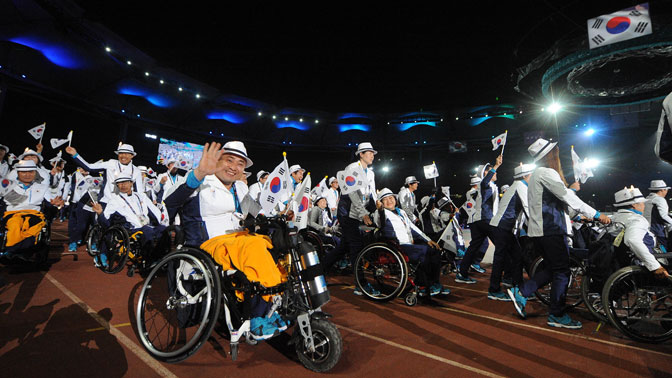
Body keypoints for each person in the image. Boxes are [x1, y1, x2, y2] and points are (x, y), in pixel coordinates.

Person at [163, 141, 287, 340]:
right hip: (209, 243)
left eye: (240, 163)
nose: (234, 167)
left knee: (274, 245)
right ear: (217, 160)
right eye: (229, 160)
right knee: (254, 245)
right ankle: (255, 316)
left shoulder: (240, 186)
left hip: (238, 241)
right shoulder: (200, 179)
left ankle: (268, 306)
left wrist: (280, 217)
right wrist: (198, 174)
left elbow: (256, 211)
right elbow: (170, 203)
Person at [507, 138, 610, 330]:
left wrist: (579, 217)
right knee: (562, 272)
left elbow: (558, 203)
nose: (558, 154)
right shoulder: (546, 172)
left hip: (544, 230)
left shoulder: (539, 174)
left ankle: (522, 292)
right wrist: (595, 214)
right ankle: (556, 314)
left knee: (554, 270)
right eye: (555, 151)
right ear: (550, 155)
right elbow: (566, 196)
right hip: (551, 230)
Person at [374, 188, 449, 296]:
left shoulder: (402, 212)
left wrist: (428, 240)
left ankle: (434, 283)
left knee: (435, 249)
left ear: (395, 199)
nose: (389, 201)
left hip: (408, 244)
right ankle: (423, 285)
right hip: (397, 246)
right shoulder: (380, 212)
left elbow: (413, 228)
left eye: (391, 198)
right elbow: (379, 223)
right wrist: (380, 210)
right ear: (381, 203)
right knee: (426, 252)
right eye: (385, 199)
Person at [92, 174, 169, 267]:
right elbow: (106, 223)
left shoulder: (141, 196)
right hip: (130, 229)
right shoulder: (114, 200)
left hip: (145, 225)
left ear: (131, 183)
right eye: (119, 183)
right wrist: (100, 213)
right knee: (147, 231)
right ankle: (148, 261)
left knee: (164, 230)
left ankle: (162, 257)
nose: (123, 185)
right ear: (117, 185)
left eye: (125, 182)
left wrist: (158, 222)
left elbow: (154, 212)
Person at [487, 163, 534, 300]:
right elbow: (528, 209)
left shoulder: (517, 185)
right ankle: (494, 290)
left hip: (503, 227)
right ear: (525, 176)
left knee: (517, 256)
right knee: (501, 259)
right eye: (531, 175)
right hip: (502, 226)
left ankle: (519, 287)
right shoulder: (520, 186)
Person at [337, 142, 378, 295]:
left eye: (373, 153)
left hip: (359, 211)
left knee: (344, 247)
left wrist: (379, 207)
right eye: (369, 152)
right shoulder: (352, 169)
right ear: (361, 154)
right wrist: (363, 214)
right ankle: (360, 284)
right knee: (356, 246)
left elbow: (372, 194)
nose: (372, 155)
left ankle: (319, 270)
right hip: (347, 212)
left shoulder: (371, 173)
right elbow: (352, 194)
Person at [0, 160, 63, 257]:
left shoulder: (43, 187)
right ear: (18, 173)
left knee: (33, 227)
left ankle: (17, 252)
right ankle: (13, 250)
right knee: (15, 224)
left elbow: (51, 202)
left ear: (35, 173)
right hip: (12, 214)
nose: (27, 175)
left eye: (30, 172)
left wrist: (54, 203)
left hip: (34, 214)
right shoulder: (7, 186)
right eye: (23, 172)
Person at [456, 155, 502, 283]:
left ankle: (462, 272)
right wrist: (496, 165)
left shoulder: (490, 185)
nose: (495, 172)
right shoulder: (485, 183)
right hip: (486, 220)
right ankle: (501, 281)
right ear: (486, 173)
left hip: (480, 220)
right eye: (492, 170)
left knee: (473, 248)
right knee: (502, 245)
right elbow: (485, 181)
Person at [611, 186, 669, 279]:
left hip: (618, 261)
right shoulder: (636, 220)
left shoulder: (613, 218)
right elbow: (632, 240)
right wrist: (655, 266)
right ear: (634, 205)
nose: (644, 205)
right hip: (641, 263)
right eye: (642, 203)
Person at [65, 143, 144, 203]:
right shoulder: (110, 163)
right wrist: (75, 155)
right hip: (106, 202)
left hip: (125, 205)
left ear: (132, 155)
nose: (123, 156)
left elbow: (139, 192)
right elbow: (89, 167)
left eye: (126, 154)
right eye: (121, 153)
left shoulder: (136, 171)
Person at [65, 167, 96, 252]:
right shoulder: (80, 177)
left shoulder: (98, 178)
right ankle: (73, 242)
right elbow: (78, 191)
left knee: (96, 225)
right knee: (81, 225)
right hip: (83, 204)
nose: (84, 170)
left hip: (96, 205)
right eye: (82, 168)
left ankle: (94, 243)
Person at [309, 196, 344, 270]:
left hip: (327, 232)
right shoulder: (316, 209)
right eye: (323, 201)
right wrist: (323, 228)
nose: (325, 202)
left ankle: (339, 262)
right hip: (319, 234)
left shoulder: (326, 211)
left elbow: (330, 222)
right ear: (317, 203)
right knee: (337, 241)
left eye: (325, 200)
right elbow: (312, 223)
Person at [643, 180, 672, 251]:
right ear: (662, 190)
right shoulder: (660, 199)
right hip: (657, 231)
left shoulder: (646, 199)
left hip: (646, 230)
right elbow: (663, 216)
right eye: (666, 190)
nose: (666, 192)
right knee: (663, 254)